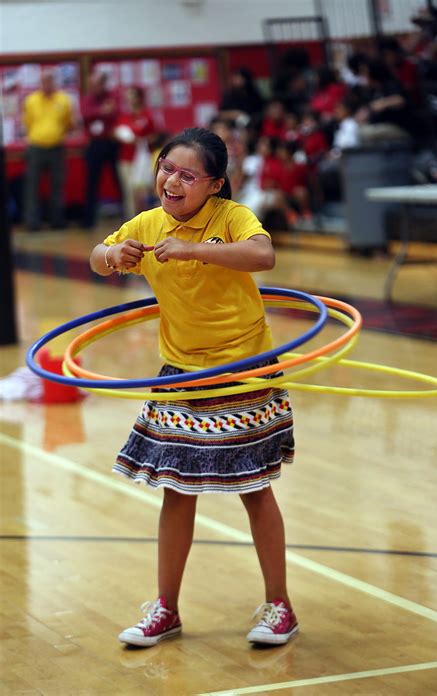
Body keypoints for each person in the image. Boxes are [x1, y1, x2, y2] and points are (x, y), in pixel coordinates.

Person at [89, 127, 298, 648]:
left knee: (254, 488)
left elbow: (262, 257)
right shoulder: (147, 222)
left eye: (188, 175)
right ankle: (166, 609)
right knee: (176, 492)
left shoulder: (231, 218)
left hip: (242, 366)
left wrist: (192, 250)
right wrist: (112, 258)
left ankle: (281, 607)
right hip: (181, 372)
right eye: (166, 167)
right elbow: (98, 252)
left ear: (215, 185)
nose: (171, 180)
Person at [22, 68, 74, 230]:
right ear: (40, 83)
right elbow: (28, 122)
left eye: (50, 81)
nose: (47, 84)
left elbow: (67, 123)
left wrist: (56, 135)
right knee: (32, 186)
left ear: (55, 82)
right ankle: (32, 222)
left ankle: (57, 221)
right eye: (44, 81)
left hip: (57, 148)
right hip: (35, 147)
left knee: (57, 186)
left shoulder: (64, 100)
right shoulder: (31, 100)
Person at [81, 71, 122, 228]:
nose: (94, 87)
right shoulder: (88, 98)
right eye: (92, 85)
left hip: (112, 142)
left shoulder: (112, 96)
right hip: (95, 144)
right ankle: (88, 221)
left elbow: (116, 112)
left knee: (118, 180)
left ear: (103, 84)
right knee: (91, 182)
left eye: (97, 84)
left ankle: (126, 216)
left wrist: (101, 113)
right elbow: (85, 113)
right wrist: (102, 111)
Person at [114, 86, 155, 219]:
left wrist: (141, 140)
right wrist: (122, 136)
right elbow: (116, 132)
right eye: (128, 96)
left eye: (132, 95)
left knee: (142, 190)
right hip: (126, 158)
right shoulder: (124, 116)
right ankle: (131, 220)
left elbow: (155, 135)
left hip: (142, 159)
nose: (129, 99)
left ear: (139, 97)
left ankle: (145, 219)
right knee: (129, 190)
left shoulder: (147, 115)